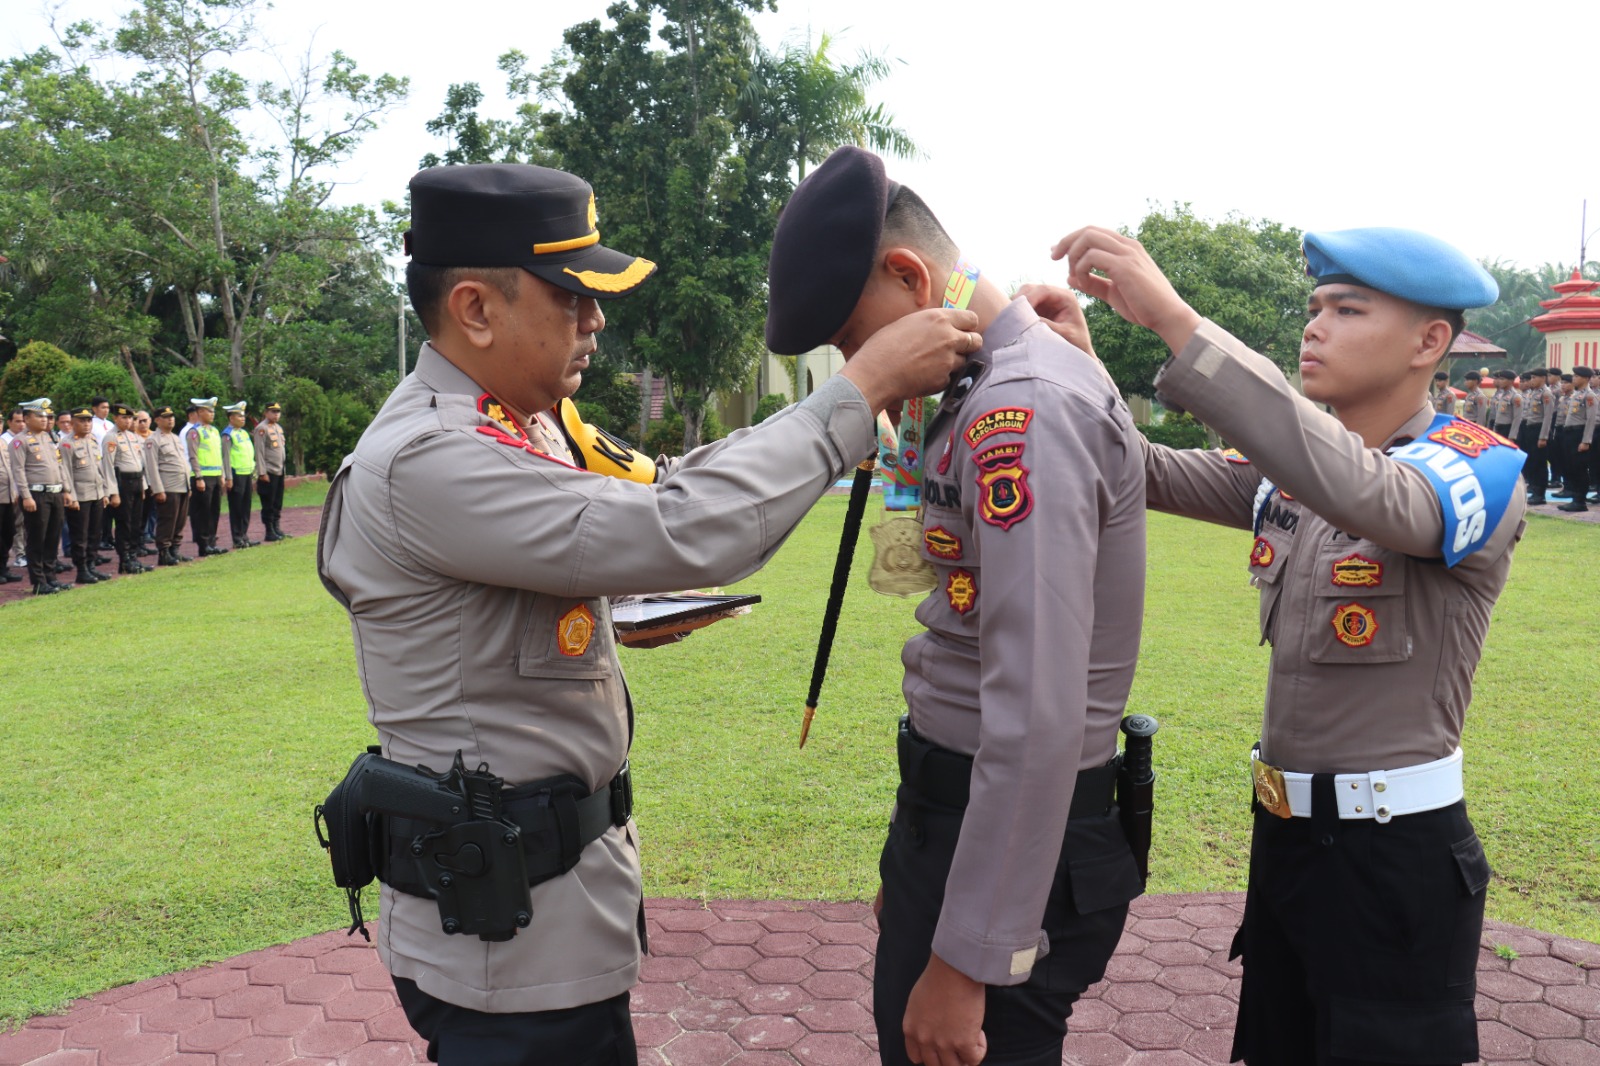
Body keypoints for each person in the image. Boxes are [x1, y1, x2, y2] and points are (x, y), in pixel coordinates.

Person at [315, 161, 977, 1066]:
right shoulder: (431, 457)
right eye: (571, 296)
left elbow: (662, 492)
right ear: (475, 308)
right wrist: (851, 397)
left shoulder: (521, 420)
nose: (595, 321)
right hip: (505, 940)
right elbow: (679, 528)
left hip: (551, 904)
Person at [1025, 225, 1520, 1066]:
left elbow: (1374, 494)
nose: (1314, 327)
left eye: (1347, 309)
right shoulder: (1295, 473)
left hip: (1394, 859)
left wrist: (1176, 320)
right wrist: (1083, 371)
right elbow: (1140, 467)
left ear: (1429, 342)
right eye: (1315, 307)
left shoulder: (1474, 471)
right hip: (1286, 840)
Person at [767, 147, 1147, 1066]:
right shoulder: (978, 390)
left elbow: (1035, 711)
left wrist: (969, 955)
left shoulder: (1022, 408)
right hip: (964, 816)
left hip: (1020, 832)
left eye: (855, 337)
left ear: (910, 276)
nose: (861, 362)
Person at [9, 398, 77, 594]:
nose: (44, 419)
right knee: (37, 539)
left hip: (54, 493)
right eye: (39, 416)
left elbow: (59, 466)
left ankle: (51, 577)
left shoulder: (49, 438)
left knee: (52, 537)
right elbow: (18, 471)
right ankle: (39, 582)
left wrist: (65, 490)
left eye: (46, 416)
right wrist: (26, 496)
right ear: (27, 418)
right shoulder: (20, 441)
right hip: (36, 494)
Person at [101, 403, 152, 574]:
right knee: (125, 523)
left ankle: (133, 556)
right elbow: (108, 466)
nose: (128, 421)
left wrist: (144, 486)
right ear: (115, 418)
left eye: (130, 417)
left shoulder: (133, 437)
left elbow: (141, 463)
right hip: (123, 483)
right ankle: (125, 560)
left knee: (136, 523)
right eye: (124, 417)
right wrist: (113, 492)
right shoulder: (111, 437)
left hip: (137, 481)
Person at [62, 406, 111, 585]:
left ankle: (91, 565)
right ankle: (81, 569)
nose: (86, 424)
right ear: (73, 423)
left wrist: (104, 491)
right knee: (80, 535)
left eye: (89, 420)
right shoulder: (67, 444)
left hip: (96, 493)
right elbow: (65, 472)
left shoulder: (92, 440)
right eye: (82, 421)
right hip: (80, 495)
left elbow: (99, 468)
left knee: (94, 533)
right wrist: (71, 496)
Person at [143, 406, 193, 566]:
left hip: (182, 485)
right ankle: (164, 552)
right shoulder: (153, 440)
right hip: (168, 486)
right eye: (166, 417)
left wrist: (188, 485)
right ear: (157, 420)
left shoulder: (175, 437)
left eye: (172, 416)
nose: (171, 419)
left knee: (180, 520)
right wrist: (157, 489)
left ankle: (175, 550)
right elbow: (151, 466)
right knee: (168, 520)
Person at [186, 396, 226, 554]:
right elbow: (193, 455)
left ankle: (212, 541)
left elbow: (218, 454)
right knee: (203, 511)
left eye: (213, 411)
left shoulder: (214, 431)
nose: (212, 414)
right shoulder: (195, 432)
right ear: (200, 412)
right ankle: (203, 544)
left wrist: (221, 474)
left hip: (215, 475)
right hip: (203, 476)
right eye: (209, 411)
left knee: (214, 510)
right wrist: (199, 477)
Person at [1555, 367, 1595, 512]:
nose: (1574, 378)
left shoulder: (1589, 396)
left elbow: (1590, 420)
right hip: (1569, 433)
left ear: (1585, 378)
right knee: (1571, 467)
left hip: (1579, 433)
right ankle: (1574, 498)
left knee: (1579, 468)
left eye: (1577, 376)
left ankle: (1580, 501)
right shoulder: (1575, 395)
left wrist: (1586, 440)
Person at [219, 401, 258, 549]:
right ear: (231, 418)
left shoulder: (243, 433)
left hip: (246, 473)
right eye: (239, 416)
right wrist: (228, 477)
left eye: (243, 416)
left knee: (246, 506)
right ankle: (237, 537)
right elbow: (226, 457)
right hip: (236, 475)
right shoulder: (227, 435)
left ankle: (244, 535)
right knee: (236, 507)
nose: (242, 418)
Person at [253, 402, 291, 540]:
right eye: (273, 411)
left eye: (278, 411)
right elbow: (259, 452)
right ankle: (269, 531)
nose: (276, 414)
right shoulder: (261, 429)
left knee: (277, 501)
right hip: (269, 471)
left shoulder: (278, 428)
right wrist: (262, 472)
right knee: (268, 502)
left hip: (279, 471)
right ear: (266, 412)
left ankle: (276, 528)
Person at [1518, 369, 1555, 505]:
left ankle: (1540, 494)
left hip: (1539, 430)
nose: (1531, 380)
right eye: (1531, 378)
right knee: (1532, 462)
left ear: (1543, 378)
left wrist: (1543, 436)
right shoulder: (1533, 393)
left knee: (1539, 463)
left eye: (1534, 377)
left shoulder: (1546, 394)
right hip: (1529, 428)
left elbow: (1547, 417)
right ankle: (1534, 489)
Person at [1489, 369, 1521, 440]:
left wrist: (1512, 436)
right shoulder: (1501, 395)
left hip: (1507, 429)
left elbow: (1517, 418)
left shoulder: (1515, 396)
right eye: (1499, 379)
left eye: (1502, 379)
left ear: (1511, 381)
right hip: (1498, 428)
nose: (1499, 381)